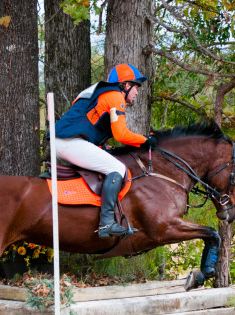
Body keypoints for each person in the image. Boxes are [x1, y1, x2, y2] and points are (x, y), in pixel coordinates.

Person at [54, 63, 157, 238]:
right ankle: (106, 223)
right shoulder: (115, 96)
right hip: (69, 142)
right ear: (126, 85)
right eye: (136, 87)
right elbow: (121, 135)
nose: (137, 93)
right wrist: (146, 140)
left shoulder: (103, 93)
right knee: (118, 169)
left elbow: (91, 124)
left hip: (66, 141)